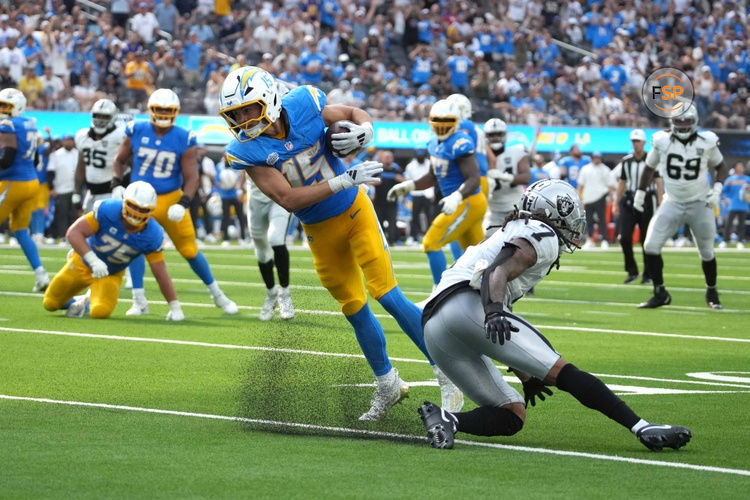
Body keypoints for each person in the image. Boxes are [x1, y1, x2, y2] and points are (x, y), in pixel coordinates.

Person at [218, 66, 462, 420]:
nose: (242, 120)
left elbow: (350, 113)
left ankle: (447, 373)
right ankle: (388, 385)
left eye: (248, 109)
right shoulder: (247, 151)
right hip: (319, 229)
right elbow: (288, 198)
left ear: (270, 99)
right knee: (353, 307)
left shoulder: (302, 103)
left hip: (355, 213)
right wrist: (343, 180)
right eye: (235, 114)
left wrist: (365, 130)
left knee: (387, 293)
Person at [417, 179, 692, 452]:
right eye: (569, 214)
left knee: (512, 413)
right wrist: (494, 312)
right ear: (552, 212)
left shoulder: (512, 228)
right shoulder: (543, 234)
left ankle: (447, 419)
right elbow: (495, 272)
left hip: (434, 327)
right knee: (563, 372)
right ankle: (641, 427)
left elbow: (494, 306)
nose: (574, 223)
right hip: (470, 305)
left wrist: (526, 376)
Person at [111, 88, 238, 316]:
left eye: (167, 110)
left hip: (170, 198)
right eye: (159, 109)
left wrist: (184, 202)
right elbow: (119, 160)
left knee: (189, 250)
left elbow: (192, 177)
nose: (163, 114)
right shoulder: (136, 129)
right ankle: (139, 301)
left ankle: (217, 295)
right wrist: (116, 184)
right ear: (150, 110)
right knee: (134, 248)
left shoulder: (184, 137)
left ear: (176, 111)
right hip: (139, 200)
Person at [43, 181, 185, 321]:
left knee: (100, 312)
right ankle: (77, 301)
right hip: (83, 263)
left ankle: (86, 303)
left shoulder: (152, 234)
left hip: (110, 274)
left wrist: (175, 306)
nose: (137, 212)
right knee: (50, 303)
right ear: (124, 202)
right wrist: (93, 260)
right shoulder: (108, 210)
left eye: (143, 209)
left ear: (151, 210)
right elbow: (73, 233)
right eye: (133, 206)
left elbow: (160, 273)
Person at [633, 104, 727, 309]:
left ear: (694, 122)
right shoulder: (662, 141)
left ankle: (712, 290)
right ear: (672, 122)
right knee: (650, 246)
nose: (682, 125)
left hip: (700, 202)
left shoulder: (707, 141)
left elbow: (720, 166)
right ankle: (660, 293)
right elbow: (649, 168)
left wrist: (717, 190)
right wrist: (640, 192)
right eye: (679, 121)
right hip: (673, 201)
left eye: (686, 121)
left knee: (707, 252)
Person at [388, 99, 487, 287]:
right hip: (463, 202)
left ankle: (440, 289)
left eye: (448, 120)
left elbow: (474, 178)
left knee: (430, 242)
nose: (442, 125)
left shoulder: (461, 142)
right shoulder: (433, 143)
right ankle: (492, 296)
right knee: (477, 258)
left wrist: (456, 196)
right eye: (438, 120)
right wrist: (408, 186)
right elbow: (433, 177)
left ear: (456, 121)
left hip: (468, 201)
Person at [0, 88, 49, 291]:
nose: (2, 110)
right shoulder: (30, 123)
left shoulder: (8, 125)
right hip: (31, 183)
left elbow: (7, 159)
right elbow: (36, 158)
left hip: (13, 182)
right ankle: (41, 275)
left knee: (20, 231)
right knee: (21, 232)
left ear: (17, 107)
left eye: (6, 106)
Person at [612, 129, 663, 283]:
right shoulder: (626, 161)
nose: (635, 144)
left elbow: (658, 181)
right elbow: (622, 182)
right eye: (633, 141)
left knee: (646, 239)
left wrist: (661, 201)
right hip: (629, 199)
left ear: (644, 142)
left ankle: (648, 274)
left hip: (648, 200)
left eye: (637, 141)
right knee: (625, 238)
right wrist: (616, 202)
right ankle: (632, 271)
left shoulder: (652, 159)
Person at [245, 172, 294, 321]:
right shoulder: (241, 147)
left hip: (279, 197)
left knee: (276, 239)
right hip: (255, 198)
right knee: (261, 251)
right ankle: (271, 292)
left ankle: (284, 293)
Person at [73, 99, 126, 213]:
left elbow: (130, 164)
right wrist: (76, 192)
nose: (101, 120)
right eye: (98, 116)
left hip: (112, 192)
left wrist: (122, 185)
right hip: (91, 193)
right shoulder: (82, 136)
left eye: (105, 117)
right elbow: (81, 167)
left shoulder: (119, 136)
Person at [483, 118, 530, 237]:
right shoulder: (482, 156)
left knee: (519, 242)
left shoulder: (516, 152)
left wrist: (505, 177)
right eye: (491, 134)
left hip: (515, 207)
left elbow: (526, 177)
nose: (495, 137)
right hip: (493, 211)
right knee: (487, 243)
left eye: (498, 134)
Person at [577, 151, 616, 248]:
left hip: (601, 197)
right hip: (588, 198)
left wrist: (610, 197)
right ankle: (590, 240)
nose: (596, 159)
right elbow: (581, 185)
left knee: (602, 220)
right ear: (592, 158)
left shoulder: (605, 169)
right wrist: (579, 198)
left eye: (598, 157)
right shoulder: (585, 169)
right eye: (595, 157)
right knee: (589, 220)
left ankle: (605, 240)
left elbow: (610, 185)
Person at [47, 134, 78, 240]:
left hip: (75, 188)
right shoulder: (56, 155)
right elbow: (51, 172)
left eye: (70, 140)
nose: (68, 143)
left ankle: (74, 236)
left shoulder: (78, 154)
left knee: (74, 214)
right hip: (61, 189)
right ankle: (62, 236)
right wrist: (51, 188)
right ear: (63, 141)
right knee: (62, 214)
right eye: (66, 140)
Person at [403, 147, 434, 244]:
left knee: (430, 216)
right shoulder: (410, 166)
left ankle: (430, 236)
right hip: (415, 194)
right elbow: (408, 180)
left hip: (428, 194)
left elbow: (433, 179)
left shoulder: (430, 164)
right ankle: (413, 236)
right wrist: (406, 195)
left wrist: (432, 193)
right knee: (414, 216)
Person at [719, 161, 749, 249]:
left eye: (742, 166)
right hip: (733, 204)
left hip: (743, 204)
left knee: (741, 224)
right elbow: (724, 192)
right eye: (739, 166)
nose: (741, 168)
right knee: (729, 223)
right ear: (735, 168)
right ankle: (725, 240)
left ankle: (739, 241)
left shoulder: (747, 179)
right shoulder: (730, 179)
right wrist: (726, 198)